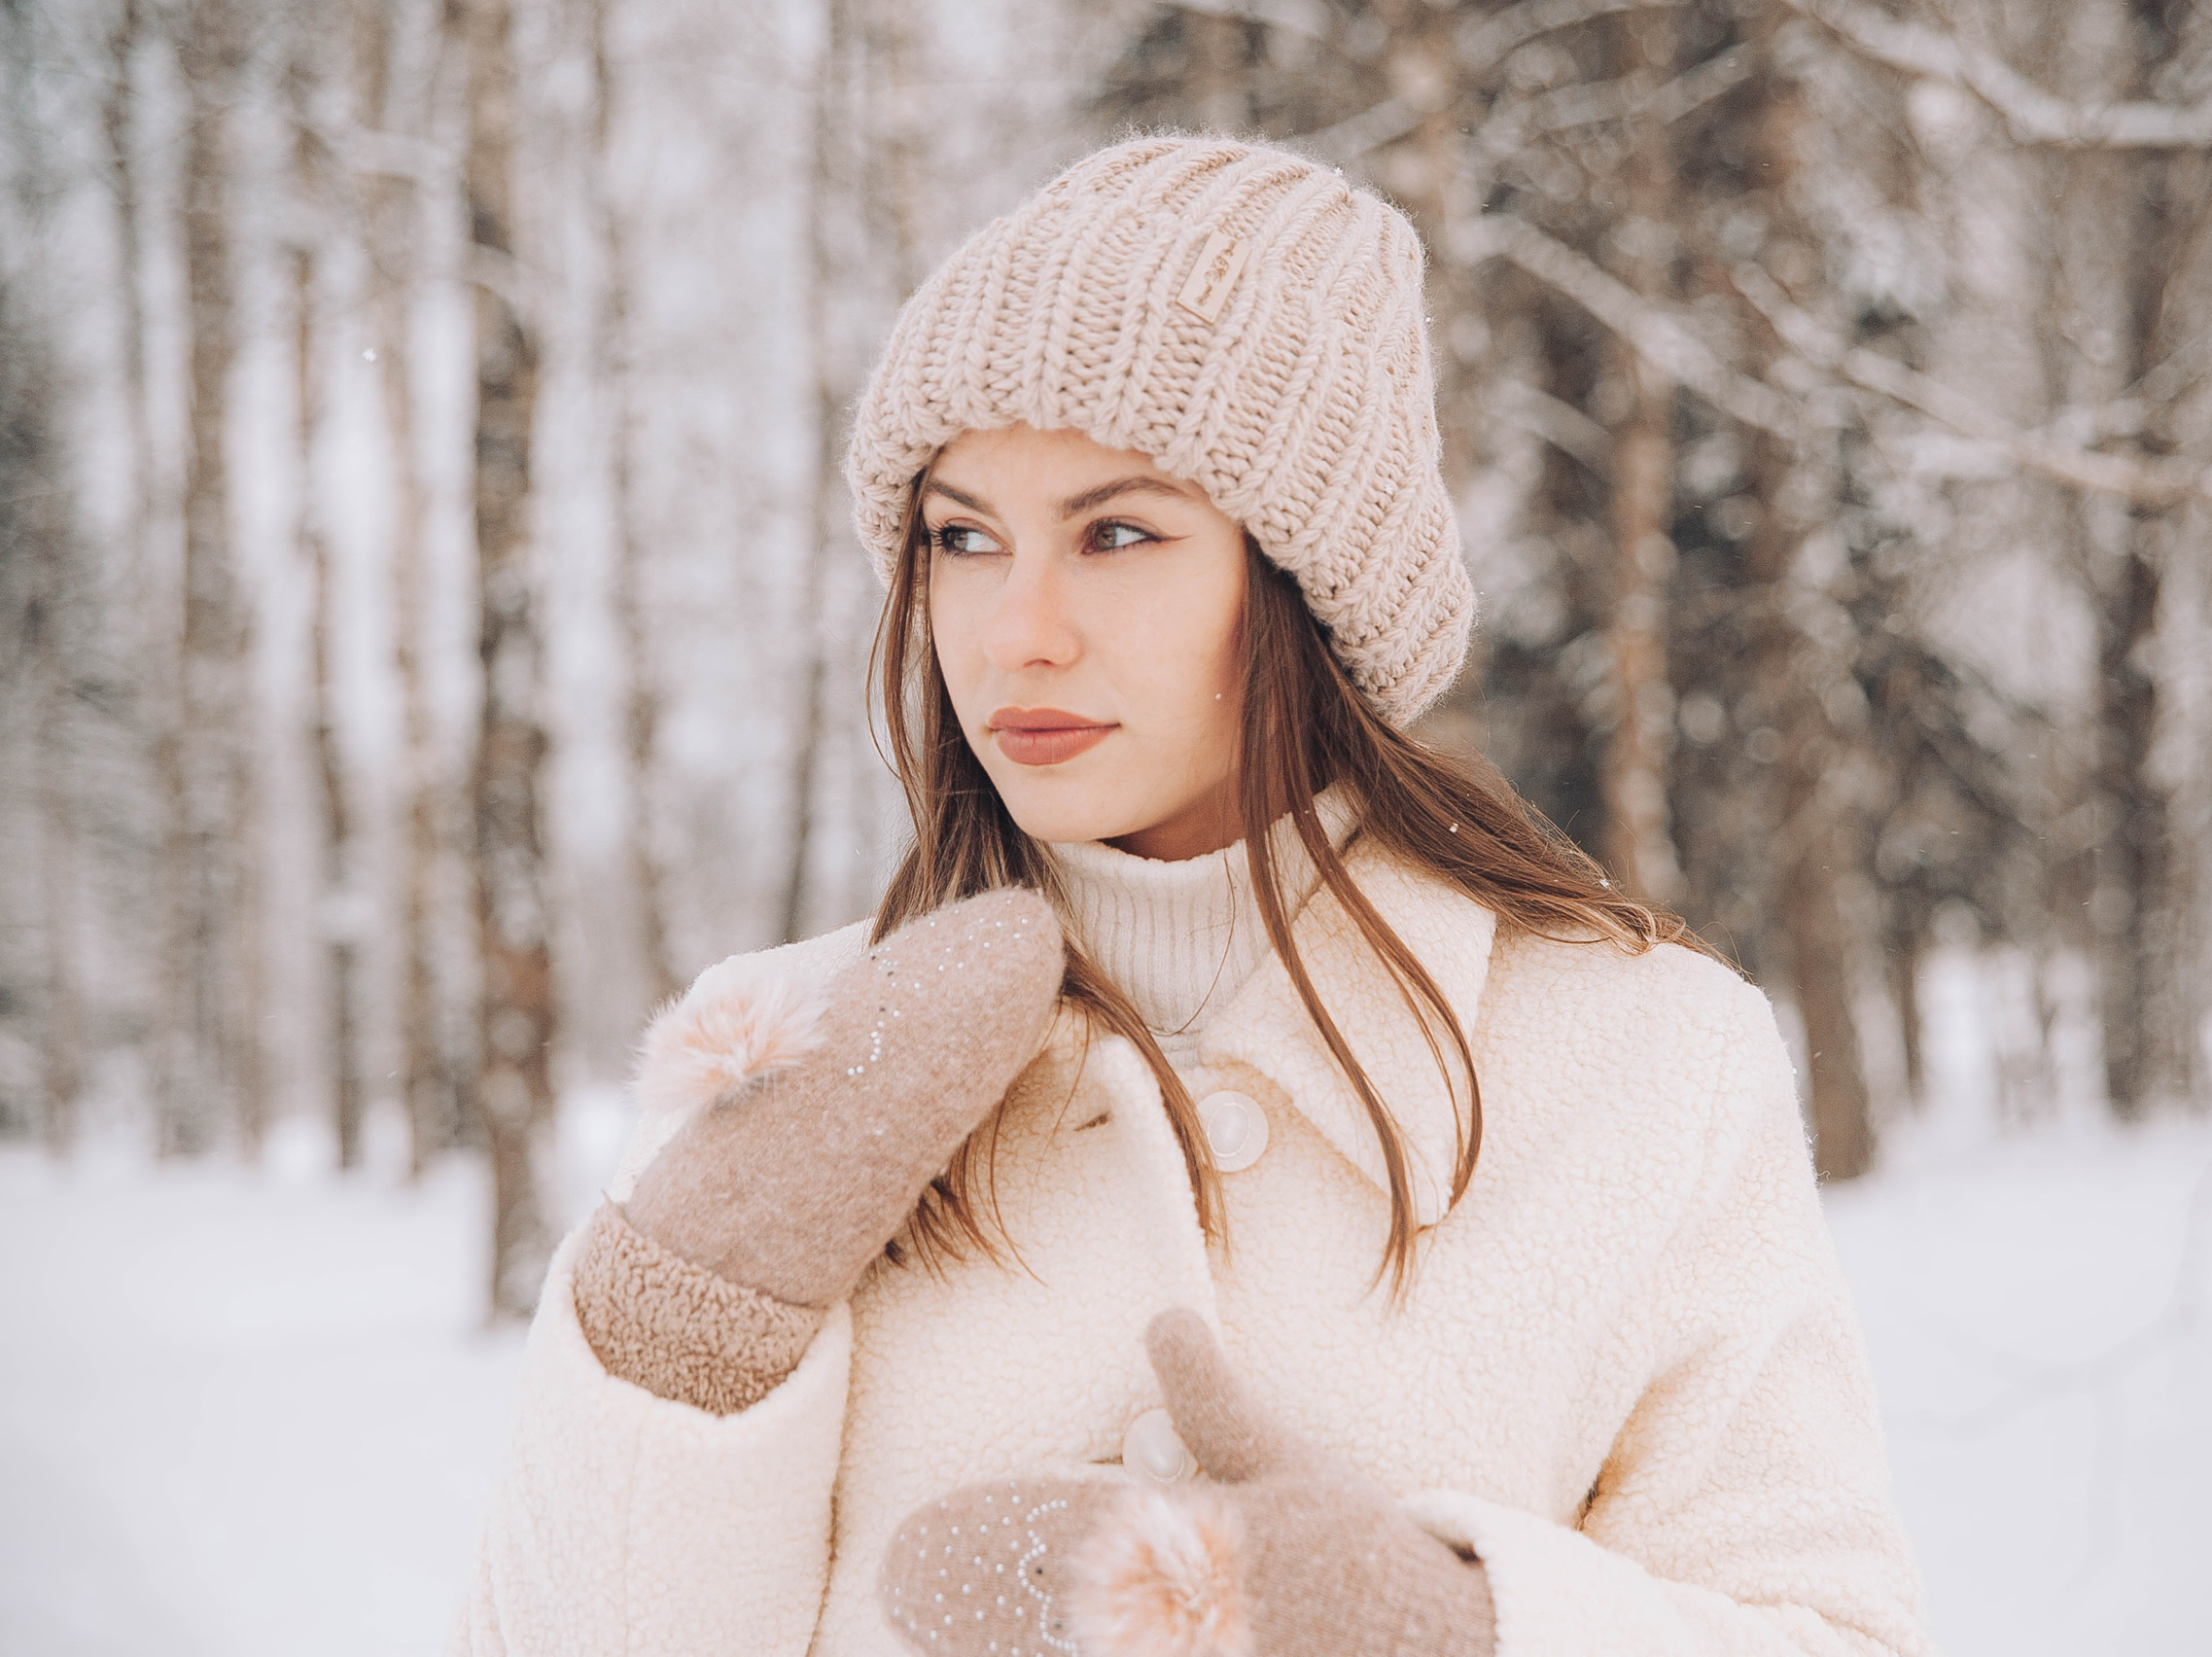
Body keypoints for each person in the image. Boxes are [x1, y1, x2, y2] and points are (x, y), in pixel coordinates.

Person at [455, 135, 1938, 1657]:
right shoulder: (796, 1059)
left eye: (1117, 534)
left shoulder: (1647, 1065)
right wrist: (684, 1329)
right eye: (964, 538)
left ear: (1300, 581)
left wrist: (1442, 1629)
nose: (1015, 632)